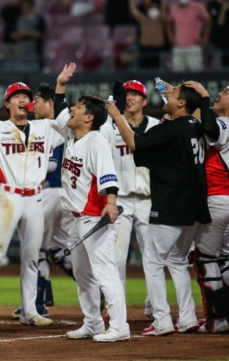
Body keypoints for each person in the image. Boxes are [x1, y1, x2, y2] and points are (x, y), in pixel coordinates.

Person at [107, 82, 210, 336]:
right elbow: (196, 113)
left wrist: (116, 115)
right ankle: (187, 317)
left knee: (153, 261)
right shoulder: (196, 125)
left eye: (173, 94)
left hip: (171, 204)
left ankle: (162, 320)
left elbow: (133, 143)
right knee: (177, 260)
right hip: (195, 205)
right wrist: (201, 97)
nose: (167, 95)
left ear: (182, 103)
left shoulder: (170, 128)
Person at [0, 79, 64, 327]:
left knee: (32, 257)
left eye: (26, 95)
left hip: (35, 197)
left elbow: (68, 122)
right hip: (8, 196)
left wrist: (60, 89)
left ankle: (30, 311)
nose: (23, 99)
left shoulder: (45, 127)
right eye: (17, 96)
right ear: (7, 103)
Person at [52, 95, 130, 342]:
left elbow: (108, 175)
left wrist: (111, 203)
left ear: (89, 117)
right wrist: (60, 88)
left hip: (95, 217)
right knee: (83, 274)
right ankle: (93, 323)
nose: (72, 110)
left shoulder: (96, 141)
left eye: (79, 108)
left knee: (105, 272)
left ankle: (119, 327)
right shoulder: (72, 135)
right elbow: (60, 111)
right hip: (77, 219)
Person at [9, 66, 76, 320]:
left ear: (50, 103)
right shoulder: (65, 125)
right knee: (58, 250)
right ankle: (94, 289)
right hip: (68, 196)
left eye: (37, 100)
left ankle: (37, 303)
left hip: (49, 192)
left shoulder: (49, 126)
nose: (32, 104)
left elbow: (48, 164)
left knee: (35, 250)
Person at [99, 80, 159, 319]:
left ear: (145, 100)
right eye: (127, 94)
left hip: (148, 199)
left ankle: (155, 306)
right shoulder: (109, 126)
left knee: (153, 257)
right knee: (116, 259)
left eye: (136, 94)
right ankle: (117, 310)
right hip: (120, 199)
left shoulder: (157, 126)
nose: (131, 98)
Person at [185, 81, 229, 333]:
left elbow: (211, 130)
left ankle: (218, 320)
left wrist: (201, 97)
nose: (220, 94)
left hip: (218, 197)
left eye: (225, 93)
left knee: (204, 258)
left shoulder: (224, 122)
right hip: (227, 198)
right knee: (225, 260)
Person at [166, 0, 211, 72]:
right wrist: (171, 38)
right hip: (178, 47)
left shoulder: (197, 7)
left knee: (195, 75)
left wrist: (205, 37)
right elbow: (167, 22)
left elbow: (208, 21)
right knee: (178, 75)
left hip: (193, 47)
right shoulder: (173, 8)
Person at [128, 0, 168, 69]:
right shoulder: (143, 19)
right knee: (144, 71)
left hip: (157, 48)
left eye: (155, 8)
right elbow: (134, 11)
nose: (153, 9)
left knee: (158, 70)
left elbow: (163, 7)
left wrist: (163, 4)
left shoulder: (160, 19)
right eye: (151, 8)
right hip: (145, 48)